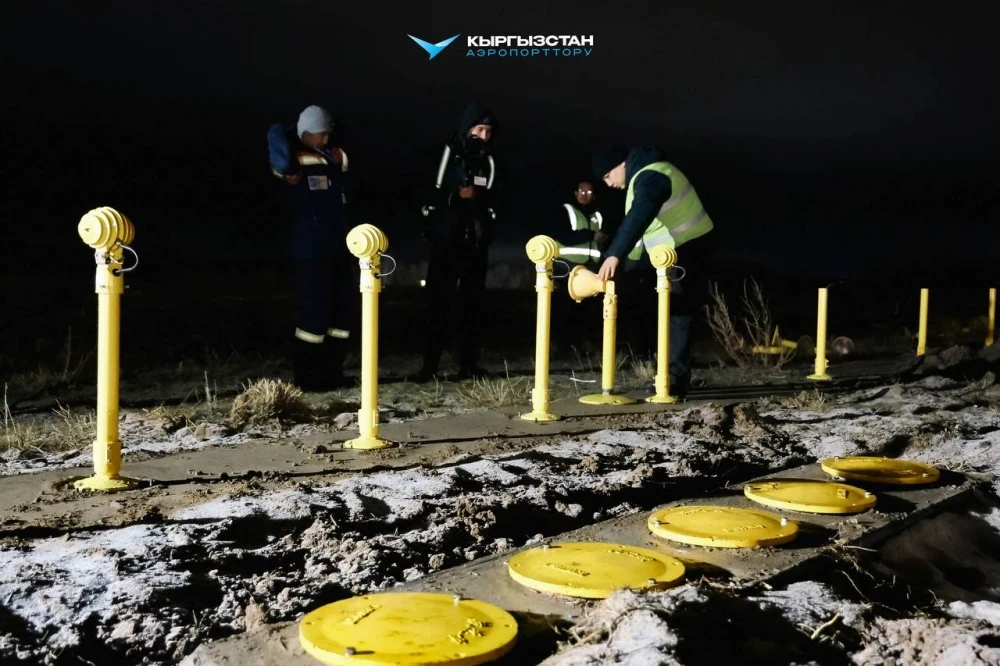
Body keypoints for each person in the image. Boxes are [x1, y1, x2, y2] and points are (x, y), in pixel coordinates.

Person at [591, 144, 716, 396]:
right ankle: (668, 375)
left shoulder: (651, 176)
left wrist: (614, 254)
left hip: (687, 247)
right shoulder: (642, 178)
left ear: (620, 165)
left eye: (607, 176)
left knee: (679, 312)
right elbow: (644, 232)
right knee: (662, 309)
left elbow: (639, 216)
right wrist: (629, 268)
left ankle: (673, 380)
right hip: (671, 252)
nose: (608, 183)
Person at [268, 105, 355, 391]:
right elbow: (282, 164)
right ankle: (307, 378)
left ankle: (333, 373)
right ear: (304, 133)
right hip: (311, 249)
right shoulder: (291, 158)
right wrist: (281, 132)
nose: (325, 139)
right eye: (320, 134)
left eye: (327, 134)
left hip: (340, 245)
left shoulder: (333, 156)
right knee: (313, 314)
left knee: (341, 314)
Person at [417, 101, 500, 381]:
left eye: (488, 131)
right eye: (479, 129)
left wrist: (485, 224)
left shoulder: (489, 160)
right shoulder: (447, 153)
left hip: (475, 244)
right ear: (467, 129)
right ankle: (429, 367)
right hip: (446, 242)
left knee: (472, 306)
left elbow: (496, 197)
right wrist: (455, 197)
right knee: (437, 303)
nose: (484, 136)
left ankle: (468, 365)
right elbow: (429, 191)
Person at [556, 180, 612, 269]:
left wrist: (603, 238)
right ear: (576, 193)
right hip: (567, 263)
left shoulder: (598, 215)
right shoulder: (565, 210)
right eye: (581, 191)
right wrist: (592, 235)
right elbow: (564, 237)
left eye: (589, 192)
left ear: (593, 196)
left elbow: (605, 237)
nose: (584, 194)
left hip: (593, 265)